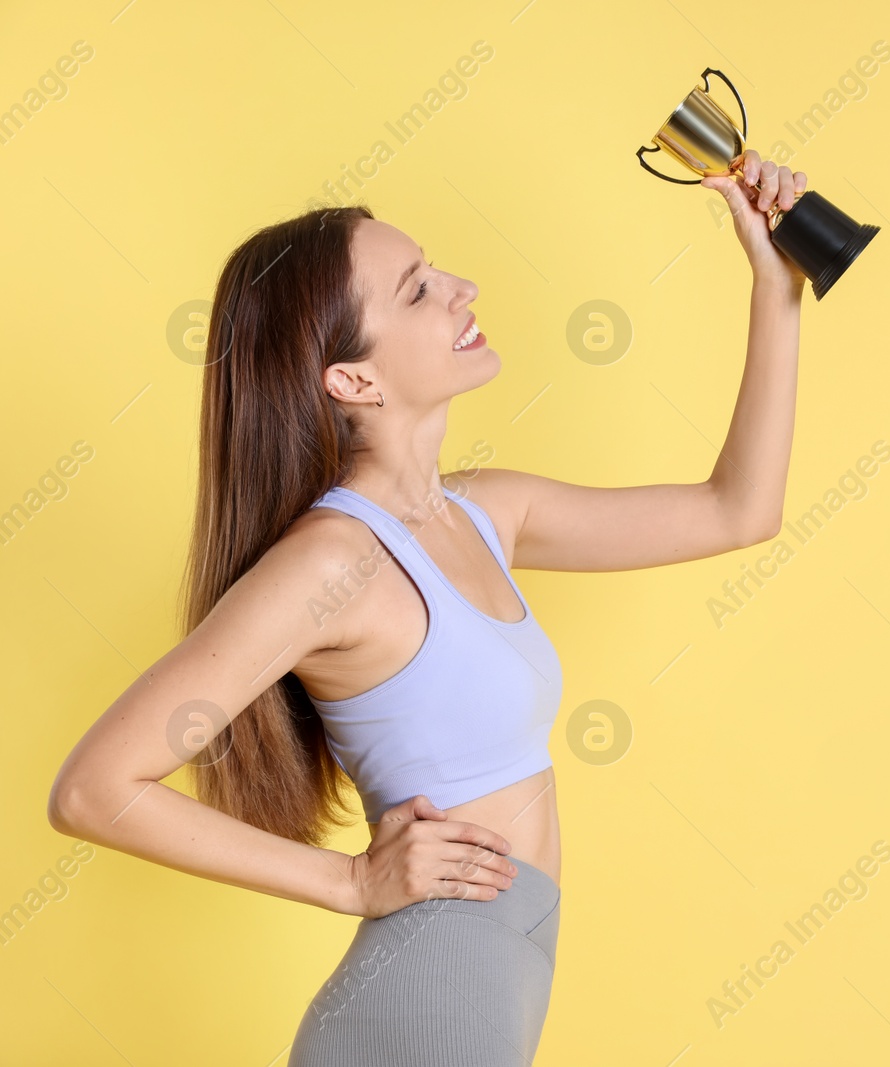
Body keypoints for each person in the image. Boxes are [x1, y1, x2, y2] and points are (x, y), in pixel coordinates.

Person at [46, 150, 806, 1065]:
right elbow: (93, 789)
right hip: (424, 1001)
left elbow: (739, 509)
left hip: (490, 986)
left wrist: (776, 280)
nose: (462, 287)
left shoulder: (485, 514)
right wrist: (351, 880)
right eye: (416, 290)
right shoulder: (335, 562)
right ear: (352, 381)